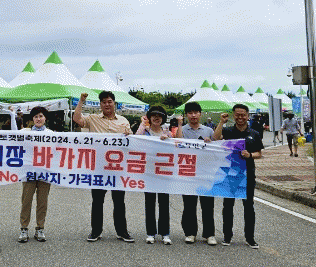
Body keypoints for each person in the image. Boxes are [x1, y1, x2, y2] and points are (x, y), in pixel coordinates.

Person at [73, 91, 134, 243]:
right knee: (97, 200)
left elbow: (130, 142)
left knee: (119, 201)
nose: (107, 104)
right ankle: (95, 231)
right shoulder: (92, 119)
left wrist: (129, 135)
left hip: (117, 168)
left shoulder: (124, 121)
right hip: (99, 167)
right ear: (100, 105)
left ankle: (122, 231)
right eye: (104, 102)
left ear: (114, 103)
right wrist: (81, 101)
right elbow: (77, 119)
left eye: (109, 101)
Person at [214, 104, 263, 249]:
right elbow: (216, 138)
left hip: (247, 175)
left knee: (248, 206)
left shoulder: (254, 133)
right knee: (228, 206)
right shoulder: (228, 131)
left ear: (247, 116)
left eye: (243, 115)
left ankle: (250, 238)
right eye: (237, 115)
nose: (240, 117)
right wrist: (221, 122)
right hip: (229, 174)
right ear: (233, 115)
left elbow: (259, 153)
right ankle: (227, 236)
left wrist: (250, 155)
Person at [136, 106, 177, 245]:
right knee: (150, 202)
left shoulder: (168, 133)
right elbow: (136, 140)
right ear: (149, 117)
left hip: (164, 172)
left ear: (163, 118)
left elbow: (175, 149)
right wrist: (143, 123)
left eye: (159, 116)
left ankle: (165, 233)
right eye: (153, 115)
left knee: (164, 203)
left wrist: (168, 140)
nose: (156, 118)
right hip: (148, 172)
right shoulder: (145, 131)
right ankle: (150, 233)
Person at [180, 101, 217, 246]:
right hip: (188, 172)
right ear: (186, 115)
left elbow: (217, 147)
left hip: (205, 172)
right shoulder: (182, 130)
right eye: (190, 113)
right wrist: (179, 125)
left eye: (196, 112)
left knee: (207, 205)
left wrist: (210, 142)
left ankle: (209, 234)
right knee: (189, 204)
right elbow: (177, 144)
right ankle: (190, 233)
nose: (193, 115)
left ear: (200, 114)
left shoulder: (208, 130)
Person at [17, 106, 53, 243]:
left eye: (41, 116)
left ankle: (40, 228)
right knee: (26, 201)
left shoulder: (51, 134)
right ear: (32, 119)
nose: (38, 119)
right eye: (36, 116)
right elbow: (11, 136)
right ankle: (24, 228)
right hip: (29, 172)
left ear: (45, 118)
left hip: (45, 172)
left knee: (42, 202)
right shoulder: (25, 133)